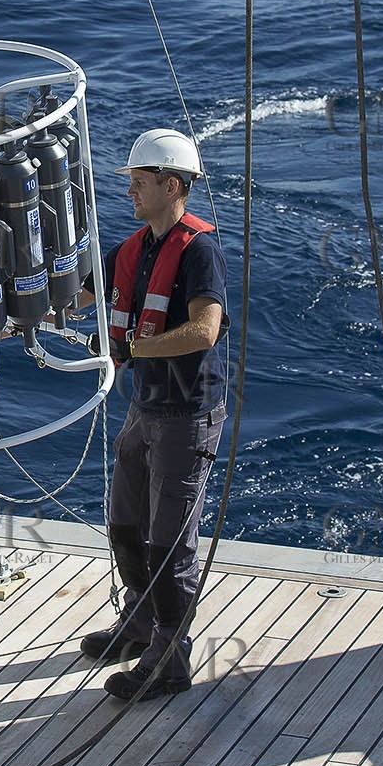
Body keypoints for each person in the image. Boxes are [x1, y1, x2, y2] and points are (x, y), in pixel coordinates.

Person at [79, 129, 228, 702]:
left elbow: (205, 330)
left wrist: (136, 348)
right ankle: (139, 622)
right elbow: (82, 293)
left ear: (172, 186)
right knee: (125, 521)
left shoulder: (199, 252)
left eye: (140, 183)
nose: (131, 192)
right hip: (146, 407)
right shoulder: (134, 249)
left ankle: (169, 658)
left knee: (170, 542)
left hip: (187, 414)